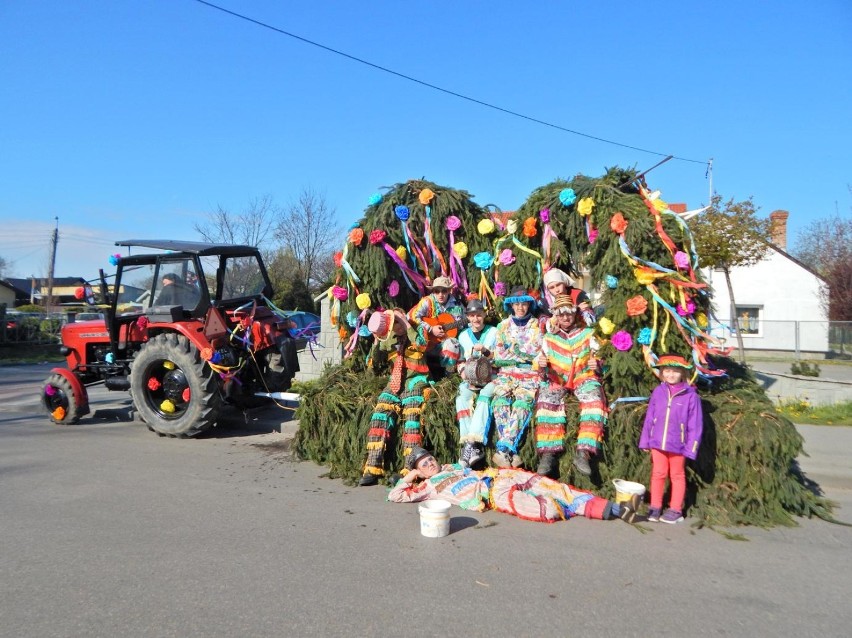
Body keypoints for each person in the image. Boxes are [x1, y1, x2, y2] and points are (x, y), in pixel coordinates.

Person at [388, 446, 639, 523]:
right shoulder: (428, 487)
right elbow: (395, 496)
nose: (430, 463)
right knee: (546, 510)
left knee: (546, 484)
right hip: (493, 494)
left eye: (430, 458)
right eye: (424, 465)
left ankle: (612, 508)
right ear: (419, 472)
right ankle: (577, 508)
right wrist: (408, 478)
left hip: (499, 476)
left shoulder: (454, 466)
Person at [534, 294, 608, 478]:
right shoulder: (549, 339)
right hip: (557, 379)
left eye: (569, 314)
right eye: (561, 315)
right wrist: (542, 364)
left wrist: (597, 364)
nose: (565, 318)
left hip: (584, 377)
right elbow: (539, 364)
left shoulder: (588, 334)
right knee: (546, 401)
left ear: (574, 314)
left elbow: (600, 357)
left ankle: (583, 452)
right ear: (556, 317)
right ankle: (548, 454)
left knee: (595, 402)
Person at [359, 307, 434, 486]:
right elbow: (374, 362)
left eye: (398, 323)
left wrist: (407, 323)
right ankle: (373, 467)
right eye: (393, 325)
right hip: (395, 382)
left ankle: (409, 470)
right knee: (380, 413)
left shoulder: (417, 329)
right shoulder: (387, 338)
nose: (397, 327)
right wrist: (377, 340)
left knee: (412, 417)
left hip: (416, 380)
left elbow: (422, 345)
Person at [639, 354, 704, 524]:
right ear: (661, 373)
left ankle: (675, 509)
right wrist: (645, 440)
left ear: (682, 373)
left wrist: (691, 448)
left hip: (678, 444)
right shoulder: (658, 392)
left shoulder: (691, 395)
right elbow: (650, 416)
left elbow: (695, 424)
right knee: (658, 473)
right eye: (667, 371)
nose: (671, 375)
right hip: (657, 442)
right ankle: (655, 506)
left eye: (675, 372)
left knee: (677, 475)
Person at [489, 286, 544, 468]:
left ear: (529, 305)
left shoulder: (537, 325)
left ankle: (503, 449)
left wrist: (517, 354)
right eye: (516, 304)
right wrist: (519, 355)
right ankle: (509, 451)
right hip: (506, 373)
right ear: (511, 306)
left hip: (529, 374)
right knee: (499, 401)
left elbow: (535, 350)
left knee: (522, 402)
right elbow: (500, 355)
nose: (520, 308)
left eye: (524, 304)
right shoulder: (503, 326)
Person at [454, 298, 498, 468]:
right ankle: (467, 443)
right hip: (471, 379)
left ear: (484, 315)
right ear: (467, 317)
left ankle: (474, 443)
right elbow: (459, 360)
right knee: (462, 396)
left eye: (478, 315)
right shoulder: (463, 336)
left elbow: (500, 357)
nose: (475, 319)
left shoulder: (494, 332)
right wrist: (462, 371)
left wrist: (486, 352)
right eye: (472, 316)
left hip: (492, 376)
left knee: (485, 395)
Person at [407, 276, 465, 377]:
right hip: (425, 343)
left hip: (444, 345)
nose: (440, 294)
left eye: (444, 291)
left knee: (453, 343)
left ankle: (449, 375)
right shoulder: (427, 302)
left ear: (449, 291)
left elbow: (465, 323)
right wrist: (430, 329)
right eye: (437, 291)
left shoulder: (457, 305)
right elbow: (411, 317)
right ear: (433, 291)